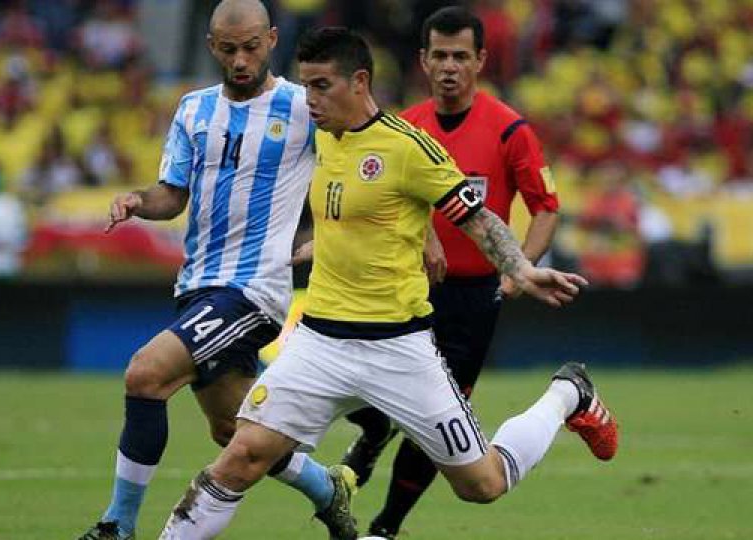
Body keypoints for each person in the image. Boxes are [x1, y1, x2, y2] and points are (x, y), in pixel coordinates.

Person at [158, 26, 618, 540]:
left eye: (321, 86)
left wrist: (521, 268)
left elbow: (477, 217)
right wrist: (323, 245)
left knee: (482, 484)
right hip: (318, 344)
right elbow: (354, 214)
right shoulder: (321, 138)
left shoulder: (407, 147)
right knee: (240, 458)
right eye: (305, 86)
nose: (309, 100)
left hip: (398, 349)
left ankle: (565, 395)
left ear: (359, 82)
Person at [76, 3, 356, 539]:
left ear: (272, 39)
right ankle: (329, 489)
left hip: (254, 290)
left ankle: (117, 527)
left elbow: (355, 167)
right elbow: (172, 195)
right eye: (229, 49)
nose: (241, 58)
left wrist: (326, 235)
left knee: (145, 373)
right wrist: (138, 199)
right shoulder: (193, 110)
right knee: (235, 429)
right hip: (198, 286)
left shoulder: (303, 107)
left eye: (252, 46)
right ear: (212, 47)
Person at [339, 7, 566, 537]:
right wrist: (425, 235)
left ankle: (385, 526)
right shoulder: (404, 128)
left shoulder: (509, 129)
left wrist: (520, 269)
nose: (449, 67)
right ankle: (372, 434)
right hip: (406, 289)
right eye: (439, 56)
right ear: (422, 60)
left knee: (439, 420)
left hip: (473, 299)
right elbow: (386, 202)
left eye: (460, 56)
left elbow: (546, 206)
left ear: (480, 61)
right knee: (366, 386)